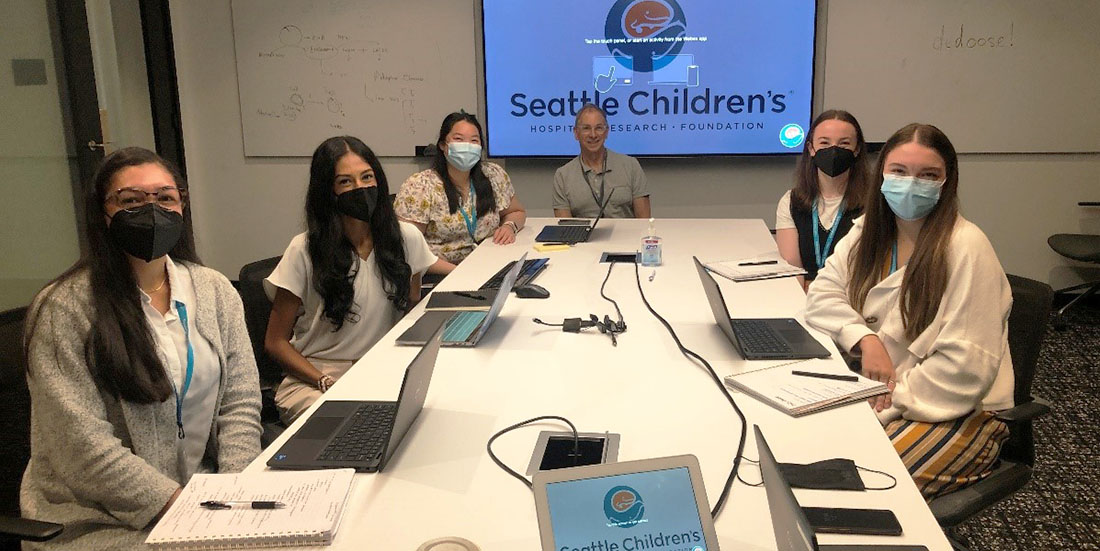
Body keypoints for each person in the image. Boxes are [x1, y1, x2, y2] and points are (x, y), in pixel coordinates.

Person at [20, 147, 262, 549]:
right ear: (103, 213)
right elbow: (83, 451)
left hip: (206, 500)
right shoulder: (63, 308)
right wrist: (188, 510)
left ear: (182, 206)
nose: (152, 210)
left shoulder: (215, 290)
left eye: (165, 198)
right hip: (98, 520)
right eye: (131, 201)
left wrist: (232, 494)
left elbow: (241, 402)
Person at [805, 123, 1014, 499]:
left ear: (946, 182)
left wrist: (885, 402)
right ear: (881, 173)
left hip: (958, 410)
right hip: (880, 390)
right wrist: (864, 338)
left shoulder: (966, 247)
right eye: (899, 171)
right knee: (802, 456)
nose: (910, 183)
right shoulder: (869, 230)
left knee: (861, 486)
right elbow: (821, 296)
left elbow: (963, 371)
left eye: (928, 175)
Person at [264, 136, 448, 423]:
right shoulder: (304, 250)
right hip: (316, 379)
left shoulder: (405, 238)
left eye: (366, 177)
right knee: (356, 432)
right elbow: (275, 342)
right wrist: (323, 382)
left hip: (381, 368)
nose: (360, 189)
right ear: (328, 191)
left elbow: (411, 307)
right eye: (346, 182)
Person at [396, 112, 526, 264]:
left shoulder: (493, 175)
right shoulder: (419, 186)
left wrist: (510, 226)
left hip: (488, 263)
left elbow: (516, 212)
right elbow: (408, 250)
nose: (467, 146)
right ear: (443, 145)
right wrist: (459, 273)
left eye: (474, 141)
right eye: (458, 139)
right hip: (441, 273)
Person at [775, 110, 870, 290]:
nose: (834, 150)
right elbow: (793, 272)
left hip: (852, 304)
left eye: (844, 144)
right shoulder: (791, 201)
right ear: (811, 148)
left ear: (857, 150)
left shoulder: (874, 202)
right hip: (804, 303)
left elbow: (867, 274)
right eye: (824, 143)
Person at [553, 104, 651, 219]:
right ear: (576, 133)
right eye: (586, 128)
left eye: (599, 128)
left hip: (626, 236)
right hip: (583, 237)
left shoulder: (631, 166)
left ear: (607, 132)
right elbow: (565, 229)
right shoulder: (562, 176)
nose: (593, 135)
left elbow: (644, 222)